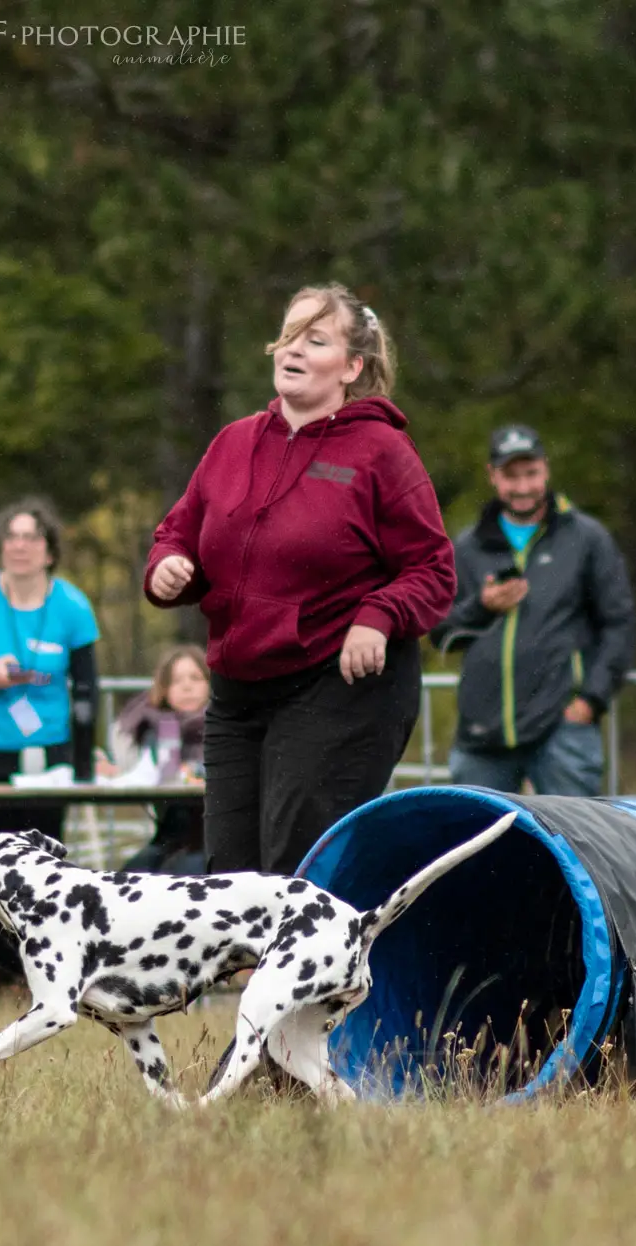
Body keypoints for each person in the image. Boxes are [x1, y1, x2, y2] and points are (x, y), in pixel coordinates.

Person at [145, 283, 456, 877]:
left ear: (352, 367)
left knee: (296, 868)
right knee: (231, 877)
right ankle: (250, 974)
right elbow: (177, 532)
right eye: (289, 335)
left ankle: (332, 971)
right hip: (239, 691)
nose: (293, 349)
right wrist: (168, 567)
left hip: (337, 686)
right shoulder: (234, 443)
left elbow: (433, 569)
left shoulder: (381, 451)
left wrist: (379, 615)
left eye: (315, 340)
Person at [0, 498, 99, 989]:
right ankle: (2, 980)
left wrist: (83, 763)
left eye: (31, 537)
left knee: (41, 871)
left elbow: (87, 690)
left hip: (45, 751)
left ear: (50, 551)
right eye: (12, 537)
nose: (20, 546)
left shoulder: (71, 604)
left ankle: (44, 976)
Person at [430, 423, 634, 797]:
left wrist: (591, 700)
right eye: (511, 476)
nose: (523, 487)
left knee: (575, 848)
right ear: (492, 476)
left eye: (531, 474)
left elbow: (619, 624)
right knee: (479, 847)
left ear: (546, 470)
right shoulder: (468, 546)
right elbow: (440, 631)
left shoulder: (586, 538)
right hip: (481, 734)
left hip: (562, 730)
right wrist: (482, 607)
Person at [96, 644, 209, 874]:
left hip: (210, 838)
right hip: (168, 836)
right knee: (127, 877)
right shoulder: (149, 727)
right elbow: (140, 771)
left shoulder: (225, 727)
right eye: (177, 681)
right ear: (164, 689)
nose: (187, 686)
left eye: (195, 678)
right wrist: (116, 771)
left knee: (184, 872)